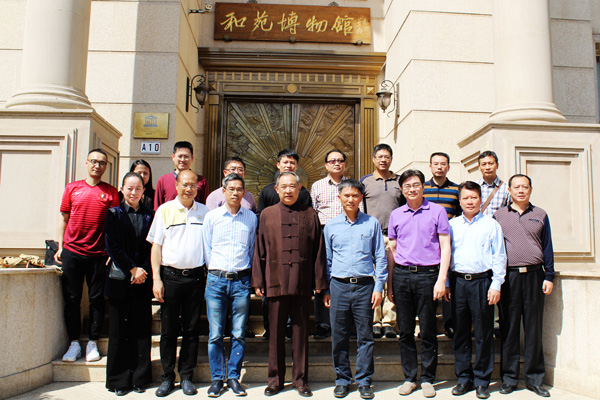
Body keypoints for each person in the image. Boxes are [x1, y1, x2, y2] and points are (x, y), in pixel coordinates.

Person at [252, 171, 327, 397]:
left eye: (292, 186)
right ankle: (275, 380)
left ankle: (300, 380)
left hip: (303, 283)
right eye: (283, 186)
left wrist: (319, 281)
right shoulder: (267, 214)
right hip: (275, 281)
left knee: (300, 334)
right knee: (274, 334)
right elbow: (260, 250)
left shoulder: (310, 213)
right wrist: (258, 280)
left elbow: (318, 251)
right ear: (276, 189)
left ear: (299, 188)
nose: (288, 190)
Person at [387, 169, 451, 398]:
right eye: (407, 186)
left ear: (423, 186)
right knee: (404, 330)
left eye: (415, 185)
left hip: (428, 276)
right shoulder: (396, 214)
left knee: (428, 330)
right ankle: (409, 377)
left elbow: (445, 247)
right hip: (403, 276)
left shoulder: (437, 211)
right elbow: (392, 251)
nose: (411, 189)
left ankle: (427, 379)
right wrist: (391, 284)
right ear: (402, 190)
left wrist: (441, 279)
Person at [323, 179, 387, 399]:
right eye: (346, 195)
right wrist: (327, 289)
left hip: (364, 287)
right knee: (339, 336)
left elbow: (380, 256)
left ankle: (364, 381)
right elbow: (327, 260)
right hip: (338, 286)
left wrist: (379, 287)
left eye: (355, 195)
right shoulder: (331, 226)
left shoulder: (372, 224)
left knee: (365, 336)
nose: (351, 199)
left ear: (361, 198)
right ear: (339, 197)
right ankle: (342, 379)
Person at [147, 170, 209, 397]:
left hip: (195, 278)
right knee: (169, 331)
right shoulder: (164, 211)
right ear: (176, 185)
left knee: (192, 330)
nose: (189, 188)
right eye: (185, 184)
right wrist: (156, 278)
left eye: (193, 185)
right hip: (171, 278)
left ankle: (186, 377)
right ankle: (166, 378)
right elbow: (156, 247)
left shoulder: (205, 212)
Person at [56, 148, 120, 363]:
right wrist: (60, 246)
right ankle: (73, 343)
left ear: (106, 166)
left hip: (99, 253)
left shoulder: (111, 193)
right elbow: (64, 219)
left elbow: (114, 227)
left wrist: (112, 252)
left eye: (102, 163)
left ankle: (93, 342)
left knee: (96, 300)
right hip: (72, 251)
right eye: (93, 161)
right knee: (72, 299)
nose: (97, 166)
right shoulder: (72, 189)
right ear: (86, 163)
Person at [494, 174, 554, 398]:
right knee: (508, 329)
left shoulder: (540, 215)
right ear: (509, 190)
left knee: (533, 328)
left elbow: (547, 246)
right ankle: (509, 379)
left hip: (535, 277)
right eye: (516, 187)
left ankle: (535, 379)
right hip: (509, 278)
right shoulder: (499, 215)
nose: (521, 190)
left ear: (530, 189)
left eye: (525, 187)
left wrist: (549, 276)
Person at [449, 181, 507, 399]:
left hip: (483, 282)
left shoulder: (491, 225)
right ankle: (463, 378)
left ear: (480, 199)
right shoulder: (452, 225)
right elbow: (446, 256)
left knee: (484, 333)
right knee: (460, 333)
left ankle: (482, 379)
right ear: (460, 201)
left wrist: (496, 284)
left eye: (473, 197)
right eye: (466, 198)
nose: (470, 201)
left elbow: (499, 256)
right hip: (457, 283)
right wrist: (446, 282)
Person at [203, 174, 257, 397]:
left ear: (244, 193)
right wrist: (214, 273)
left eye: (239, 189)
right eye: (231, 188)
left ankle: (233, 377)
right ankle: (217, 378)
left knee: (238, 333)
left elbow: (252, 248)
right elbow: (207, 249)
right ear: (223, 191)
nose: (235, 193)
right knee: (215, 334)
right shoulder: (212, 217)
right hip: (216, 280)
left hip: (241, 281)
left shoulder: (251, 218)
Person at [104, 172, 154, 396]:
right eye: (129, 188)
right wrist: (132, 269)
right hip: (120, 281)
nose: (133, 193)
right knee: (118, 332)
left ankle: (140, 378)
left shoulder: (149, 216)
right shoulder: (113, 214)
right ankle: (118, 380)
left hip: (142, 281)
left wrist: (142, 270)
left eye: (138, 189)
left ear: (144, 191)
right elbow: (112, 246)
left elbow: (153, 247)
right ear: (122, 189)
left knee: (141, 331)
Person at [256, 148, 312, 340]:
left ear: (297, 167)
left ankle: (291, 329)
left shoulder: (303, 193)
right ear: (278, 164)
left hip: (295, 252)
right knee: (270, 297)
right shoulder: (267, 191)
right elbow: (261, 221)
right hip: (274, 252)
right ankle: (270, 329)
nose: (288, 165)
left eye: (292, 163)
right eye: (285, 162)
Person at [310, 149, 356, 339]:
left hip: (348, 234)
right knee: (323, 276)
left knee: (348, 276)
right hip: (323, 233)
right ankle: (323, 323)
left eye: (340, 160)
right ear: (326, 165)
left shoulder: (352, 185)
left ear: (344, 164)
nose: (336, 163)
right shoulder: (318, 186)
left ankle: (349, 324)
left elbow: (359, 210)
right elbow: (313, 213)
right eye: (332, 161)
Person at [360, 143, 404, 339]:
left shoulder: (400, 182)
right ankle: (375, 321)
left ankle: (389, 321)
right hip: (373, 236)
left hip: (395, 237)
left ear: (391, 159)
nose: (383, 159)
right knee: (375, 278)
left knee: (391, 279)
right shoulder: (365, 182)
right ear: (373, 159)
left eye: (387, 156)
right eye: (380, 156)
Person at [423, 152, 461, 339]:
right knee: (428, 283)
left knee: (447, 282)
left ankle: (449, 323)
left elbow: (461, 214)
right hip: (426, 243)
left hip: (448, 241)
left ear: (448, 166)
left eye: (443, 163)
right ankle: (426, 325)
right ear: (430, 166)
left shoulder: (456, 190)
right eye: (435, 163)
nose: (439, 167)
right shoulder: (422, 189)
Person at [154, 141, 208, 210]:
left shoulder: (201, 181)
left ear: (192, 158)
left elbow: (204, 206)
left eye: (186, 156)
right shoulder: (163, 180)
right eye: (180, 156)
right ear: (173, 157)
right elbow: (157, 208)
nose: (182, 160)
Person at [477, 151, 510, 216]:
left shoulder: (506, 188)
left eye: (491, 163)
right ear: (479, 167)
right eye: (484, 164)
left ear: (497, 165)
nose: (487, 167)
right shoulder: (474, 187)